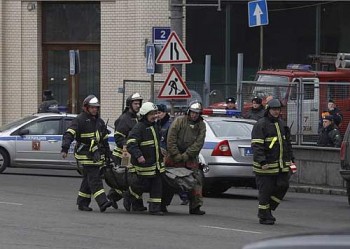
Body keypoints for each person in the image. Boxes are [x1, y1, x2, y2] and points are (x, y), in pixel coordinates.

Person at [61, 95, 112, 212]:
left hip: (96, 154)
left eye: (96, 107)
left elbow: (104, 139)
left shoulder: (99, 122)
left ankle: (82, 202)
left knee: (88, 179)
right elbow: (69, 134)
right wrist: (65, 148)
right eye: (92, 107)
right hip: (85, 154)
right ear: (86, 108)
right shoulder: (79, 120)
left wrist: (108, 154)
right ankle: (103, 202)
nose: (95, 109)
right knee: (95, 178)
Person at [251, 99, 295, 225]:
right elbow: (257, 145)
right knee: (266, 191)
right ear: (268, 110)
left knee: (283, 186)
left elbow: (287, 143)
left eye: (278, 109)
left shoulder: (282, 124)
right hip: (265, 166)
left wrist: (291, 158)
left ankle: (268, 209)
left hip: (280, 165)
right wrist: (262, 161)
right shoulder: (261, 124)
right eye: (274, 109)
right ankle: (264, 215)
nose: (276, 111)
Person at [164, 100, 206, 215]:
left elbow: (198, 143)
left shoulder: (201, 125)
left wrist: (186, 155)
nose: (194, 115)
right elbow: (171, 139)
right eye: (192, 112)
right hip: (174, 156)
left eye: (197, 113)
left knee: (196, 181)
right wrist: (176, 154)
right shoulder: (179, 121)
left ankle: (195, 206)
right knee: (169, 181)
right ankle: (162, 204)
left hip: (190, 157)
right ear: (189, 111)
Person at [124, 102, 165, 215]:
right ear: (145, 115)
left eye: (156, 113)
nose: (155, 116)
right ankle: (130, 196)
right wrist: (139, 155)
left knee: (157, 185)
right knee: (141, 186)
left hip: (155, 164)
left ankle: (154, 208)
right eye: (152, 114)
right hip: (144, 165)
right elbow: (131, 144)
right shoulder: (139, 127)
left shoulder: (155, 126)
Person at [108, 92, 146, 211]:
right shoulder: (124, 119)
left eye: (139, 103)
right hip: (123, 156)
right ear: (129, 104)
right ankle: (120, 198)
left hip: (133, 154)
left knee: (134, 179)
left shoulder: (137, 117)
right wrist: (129, 146)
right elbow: (119, 138)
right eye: (135, 103)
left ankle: (133, 203)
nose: (138, 106)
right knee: (129, 180)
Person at [156, 104, 189, 207]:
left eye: (160, 113)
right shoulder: (157, 123)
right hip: (159, 153)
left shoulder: (170, 124)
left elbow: (171, 139)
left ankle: (184, 196)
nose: (158, 115)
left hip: (168, 153)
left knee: (172, 176)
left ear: (165, 112)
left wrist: (170, 152)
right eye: (156, 113)